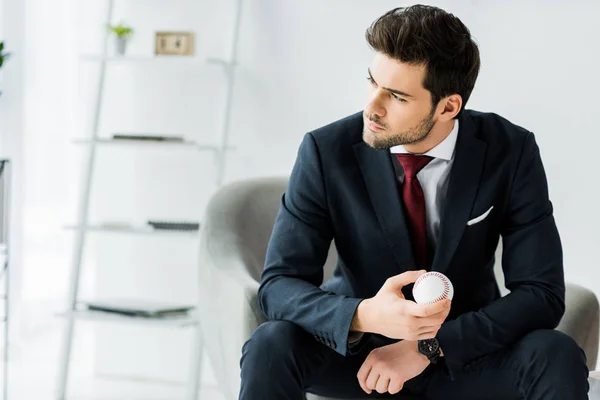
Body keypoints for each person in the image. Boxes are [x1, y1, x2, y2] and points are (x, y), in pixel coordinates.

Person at [239, 4, 589, 400]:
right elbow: (279, 285)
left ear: (448, 106)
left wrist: (430, 347)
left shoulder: (510, 150)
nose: (372, 106)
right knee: (271, 345)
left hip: (464, 356)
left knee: (555, 353)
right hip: (359, 358)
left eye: (397, 96)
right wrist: (363, 315)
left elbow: (541, 293)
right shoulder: (325, 151)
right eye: (372, 82)